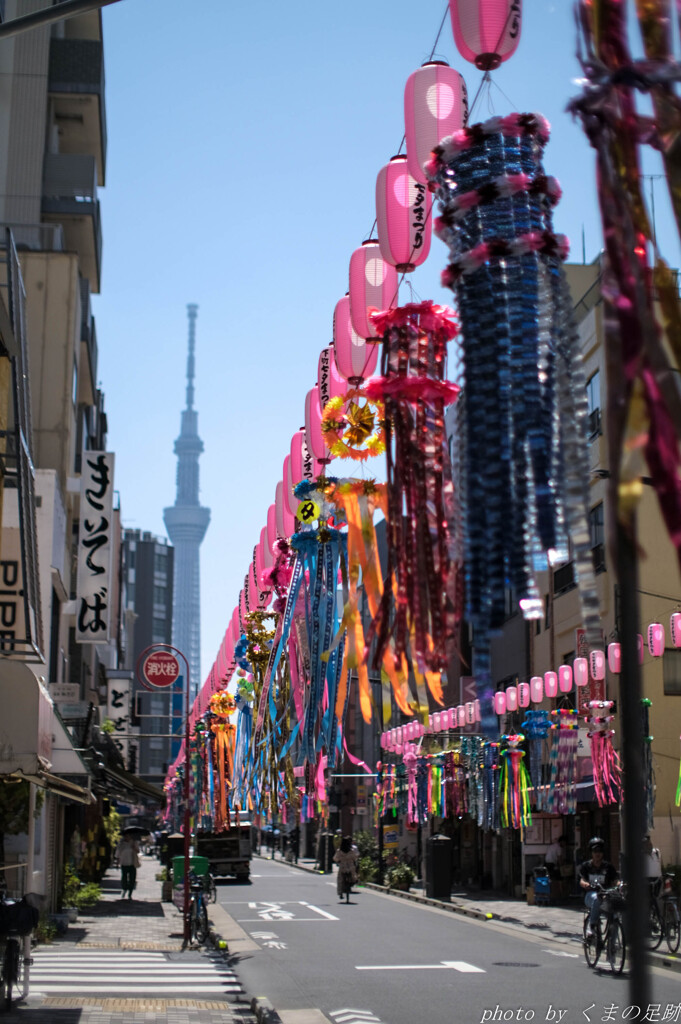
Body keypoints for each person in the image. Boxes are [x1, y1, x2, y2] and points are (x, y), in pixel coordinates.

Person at [579, 836, 618, 938]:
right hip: (590, 895)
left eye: (600, 851)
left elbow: (615, 880)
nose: (597, 854)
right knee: (597, 899)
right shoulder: (586, 866)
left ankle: (612, 947)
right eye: (595, 851)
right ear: (591, 853)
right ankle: (591, 927)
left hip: (606, 896)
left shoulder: (608, 866)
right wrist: (585, 884)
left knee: (615, 918)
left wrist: (619, 884)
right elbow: (582, 880)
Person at [115, 834, 140, 900]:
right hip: (124, 863)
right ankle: (125, 888)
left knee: (132, 879)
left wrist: (134, 848)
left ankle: (130, 893)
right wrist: (117, 863)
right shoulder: (121, 844)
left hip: (132, 863)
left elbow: (138, 851)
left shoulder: (134, 843)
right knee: (124, 878)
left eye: (128, 836)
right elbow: (117, 854)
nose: (127, 837)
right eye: (126, 836)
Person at [333, 835, 358, 900]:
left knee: (340, 879)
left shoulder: (339, 851)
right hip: (350, 866)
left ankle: (340, 892)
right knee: (354, 875)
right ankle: (351, 883)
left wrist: (339, 860)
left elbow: (335, 858)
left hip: (342, 866)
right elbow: (355, 858)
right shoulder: (351, 851)